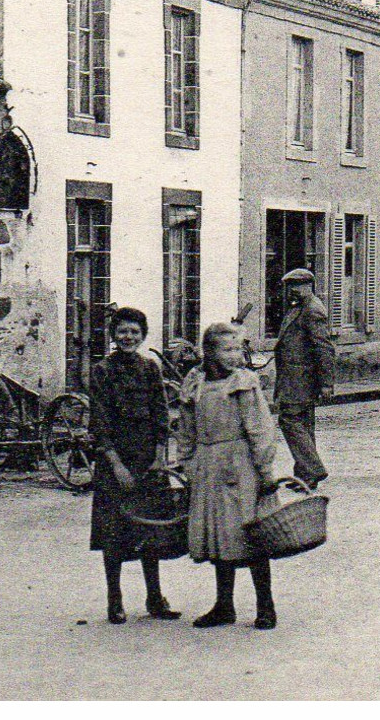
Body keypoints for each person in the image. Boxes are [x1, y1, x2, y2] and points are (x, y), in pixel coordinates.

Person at [177, 322, 281, 630]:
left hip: (241, 465)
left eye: (238, 349)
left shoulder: (245, 382)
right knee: (218, 534)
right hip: (207, 465)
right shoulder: (194, 381)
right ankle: (224, 605)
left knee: (250, 534)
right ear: (208, 351)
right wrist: (187, 463)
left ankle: (266, 605)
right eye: (227, 349)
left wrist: (265, 470)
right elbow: (186, 427)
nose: (235, 356)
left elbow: (260, 428)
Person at [86, 307, 186, 625]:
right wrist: (116, 465)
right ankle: (114, 601)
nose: (128, 337)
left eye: (134, 332)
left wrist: (160, 456)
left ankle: (155, 598)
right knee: (113, 533)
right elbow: (99, 423)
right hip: (115, 462)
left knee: (152, 532)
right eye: (123, 332)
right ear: (114, 335)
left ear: (142, 336)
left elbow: (161, 415)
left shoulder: (151, 367)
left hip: (147, 461)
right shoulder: (101, 371)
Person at [273, 268, 335, 488]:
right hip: (294, 378)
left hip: (301, 379)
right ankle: (304, 476)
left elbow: (324, 348)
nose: (292, 291)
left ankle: (313, 469)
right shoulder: (298, 308)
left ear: (308, 286)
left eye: (296, 286)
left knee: (289, 420)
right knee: (304, 424)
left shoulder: (312, 309)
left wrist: (327, 383)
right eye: (290, 286)